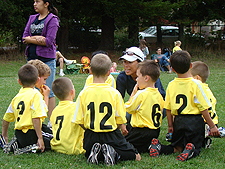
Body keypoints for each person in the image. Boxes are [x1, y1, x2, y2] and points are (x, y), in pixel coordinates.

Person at [149, 50, 220, 162]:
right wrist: (212, 126)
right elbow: (204, 108)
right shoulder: (196, 84)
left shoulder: (171, 85)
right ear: (190, 66)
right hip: (194, 122)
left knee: (176, 147)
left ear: (172, 68)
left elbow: (168, 108)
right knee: (196, 145)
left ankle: (160, 147)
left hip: (179, 121)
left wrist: (170, 126)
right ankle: (191, 150)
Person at [72, 54, 141, 166]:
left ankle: (96, 152)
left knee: (89, 150)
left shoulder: (83, 93)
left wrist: (90, 129)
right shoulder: (115, 93)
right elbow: (120, 119)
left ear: (90, 70)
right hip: (111, 133)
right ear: (109, 72)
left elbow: (79, 120)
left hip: (91, 135)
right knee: (136, 156)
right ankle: (112, 152)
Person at [22, 0, 60, 128]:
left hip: (47, 60)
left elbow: (49, 41)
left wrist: (31, 39)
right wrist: (38, 38)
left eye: (37, 1)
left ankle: (51, 121)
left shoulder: (52, 19)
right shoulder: (32, 18)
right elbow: (24, 37)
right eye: (33, 1)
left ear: (46, 4)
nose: (34, 3)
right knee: (30, 90)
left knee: (47, 91)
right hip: (31, 60)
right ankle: (30, 118)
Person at [1, 64, 50, 154]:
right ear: (37, 80)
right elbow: (36, 118)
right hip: (32, 133)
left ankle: (16, 144)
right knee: (54, 139)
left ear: (19, 81)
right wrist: (40, 138)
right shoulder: (35, 94)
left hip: (19, 134)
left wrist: (4, 135)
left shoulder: (17, 97)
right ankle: (32, 148)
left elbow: (6, 118)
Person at [116, 46, 166, 135]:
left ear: (140, 63)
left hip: (151, 110)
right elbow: (117, 101)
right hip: (136, 107)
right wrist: (121, 123)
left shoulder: (149, 76)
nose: (126, 65)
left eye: (130, 62)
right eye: (124, 62)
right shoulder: (122, 77)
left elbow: (161, 98)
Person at [125, 60, 164, 153]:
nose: (136, 79)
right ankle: (156, 146)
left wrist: (133, 94)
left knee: (123, 143)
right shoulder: (158, 95)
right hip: (155, 131)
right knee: (143, 147)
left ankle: (151, 145)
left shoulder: (141, 94)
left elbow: (128, 109)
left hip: (140, 131)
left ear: (146, 78)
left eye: (138, 76)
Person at [51, 77, 85, 155]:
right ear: (72, 92)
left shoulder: (55, 110)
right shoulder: (76, 107)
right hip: (72, 148)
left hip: (56, 146)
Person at [190, 61, 219, 148]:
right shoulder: (208, 90)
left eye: (190, 77)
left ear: (197, 78)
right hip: (213, 122)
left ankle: (202, 139)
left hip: (206, 123)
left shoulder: (198, 90)